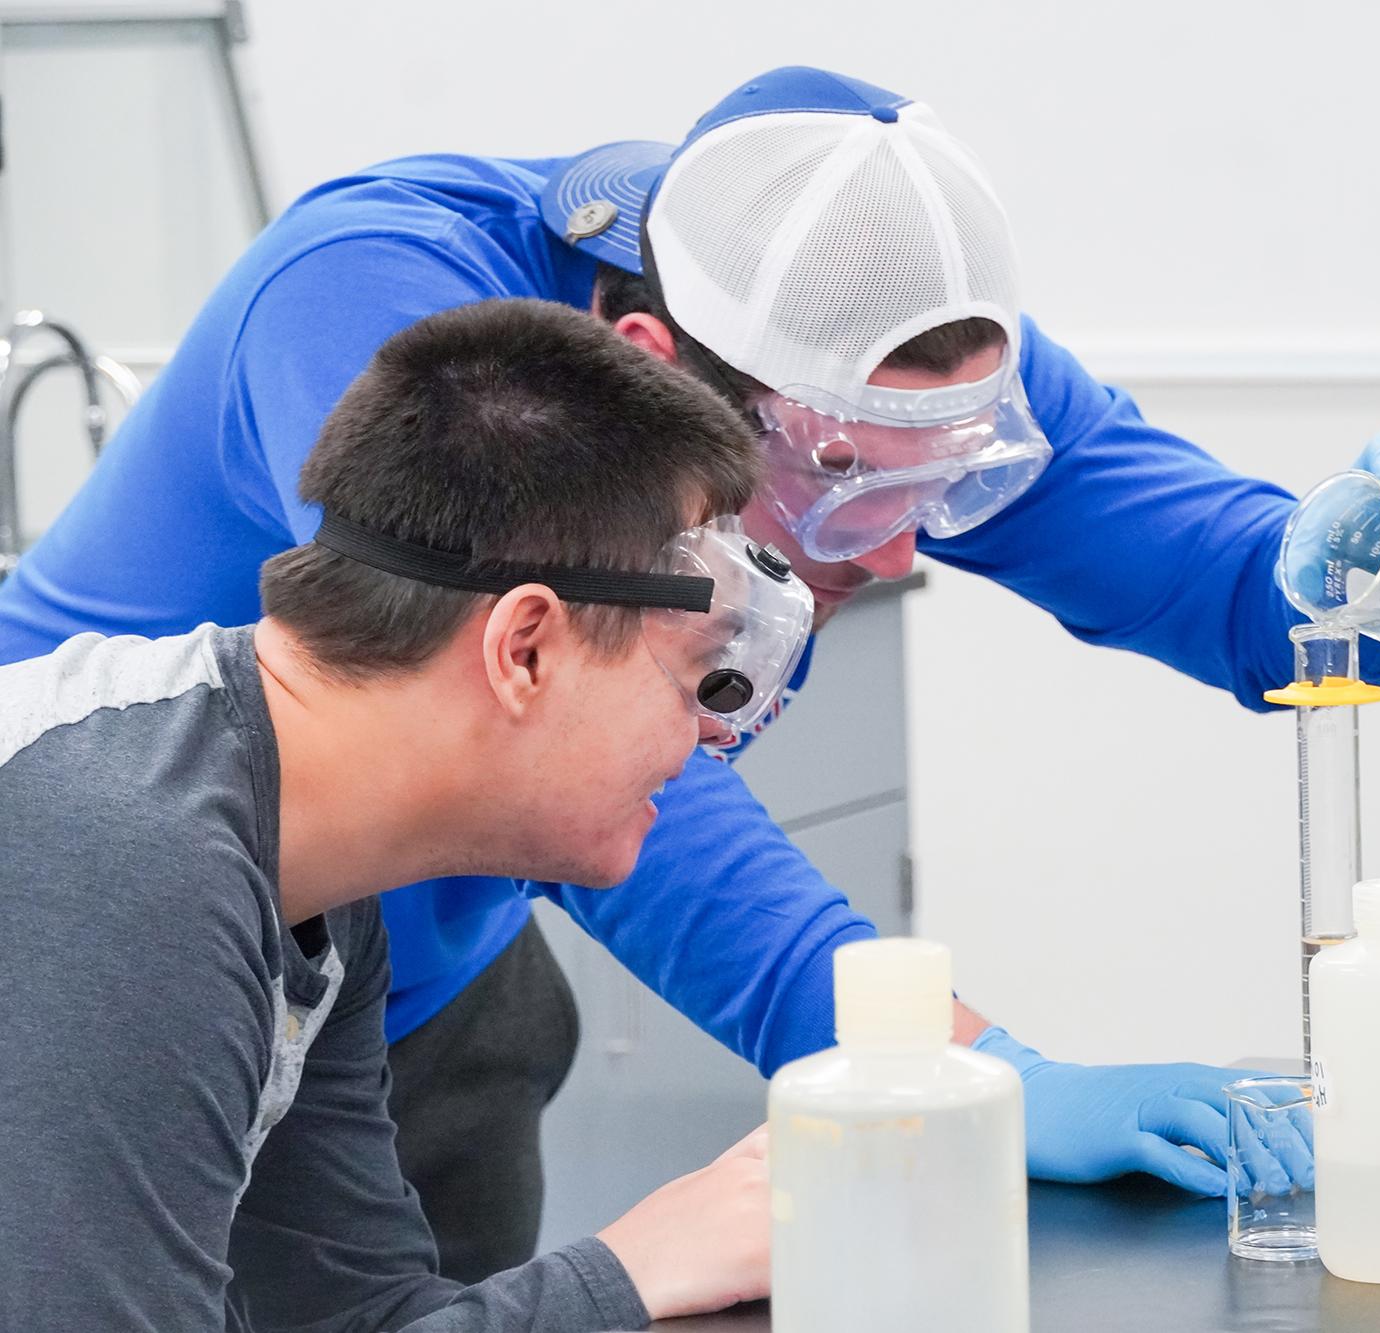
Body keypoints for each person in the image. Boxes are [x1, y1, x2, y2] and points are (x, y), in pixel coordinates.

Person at [0, 66, 1380, 1279]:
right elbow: (574, 751)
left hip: (402, 988)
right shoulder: (394, 305)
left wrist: (1360, 576)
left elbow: (1235, 600)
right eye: (851, 485)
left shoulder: (894, 341)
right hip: (113, 946)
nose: (883, 550)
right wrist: (938, 1066)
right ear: (666, 370)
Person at [0, 297, 810, 1329]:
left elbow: (348, 1313)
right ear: (524, 649)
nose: (709, 734)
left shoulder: (311, 875)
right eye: (697, 673)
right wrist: (627, 1267)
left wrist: (631, 1273)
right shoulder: (123, 857)